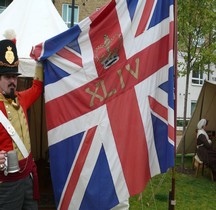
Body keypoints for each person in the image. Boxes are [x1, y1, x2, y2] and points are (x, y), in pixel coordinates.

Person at [0, 31, 43, 209]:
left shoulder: (22, 98)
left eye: (15, 77)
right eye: (8, 77)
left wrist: (40, 60)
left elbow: (37, 87)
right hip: (7, 184)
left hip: (28, 176)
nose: (13, 81)